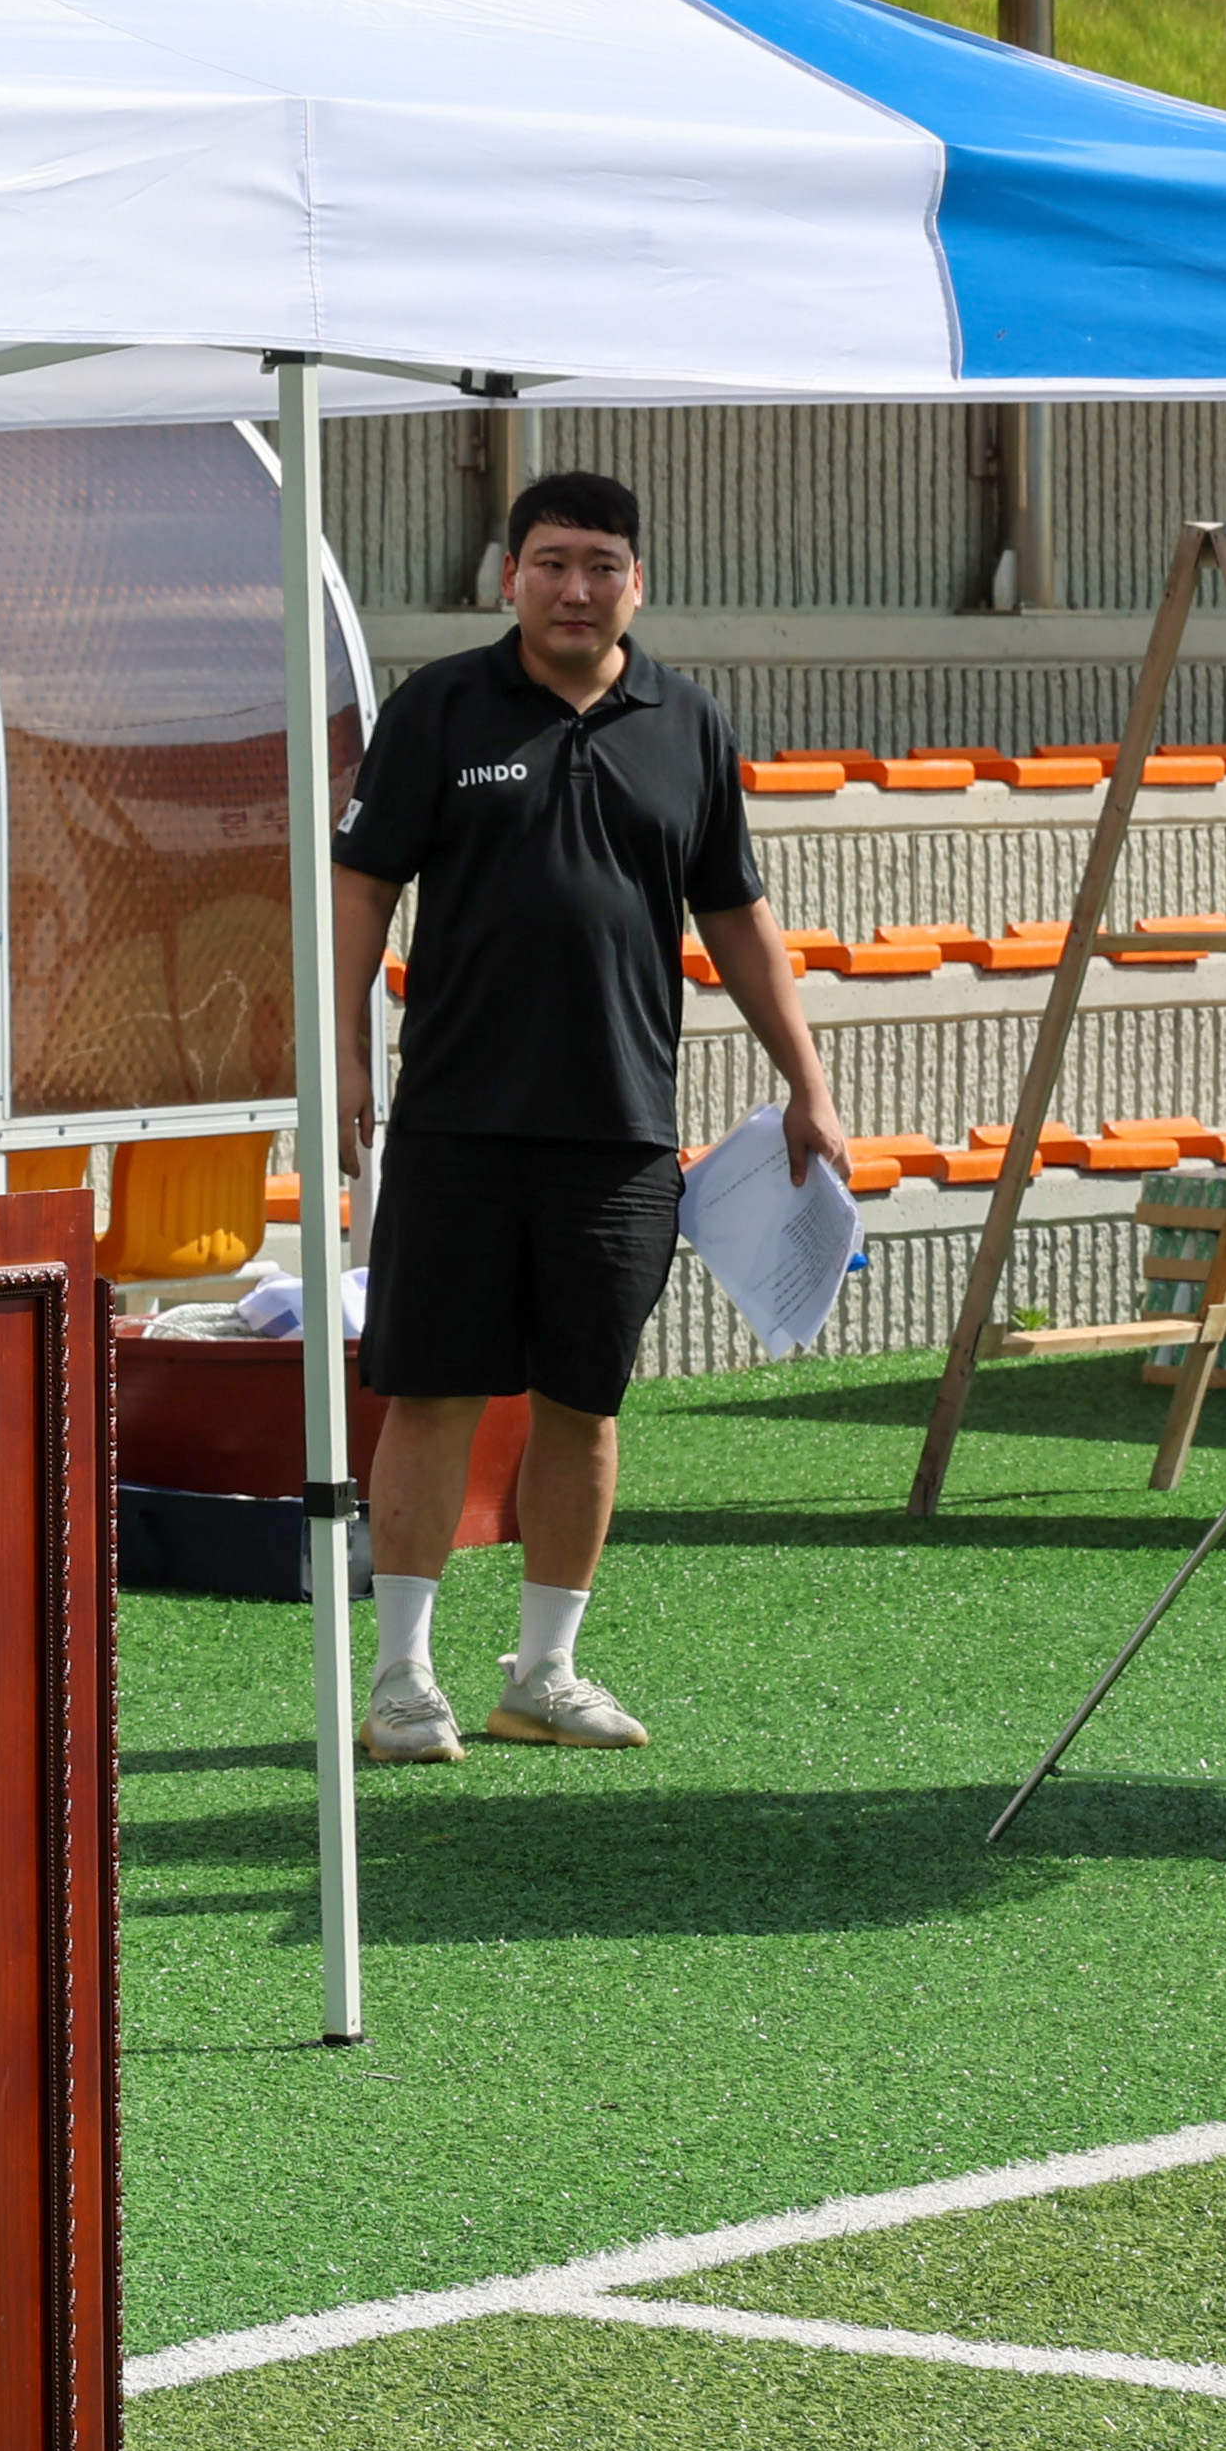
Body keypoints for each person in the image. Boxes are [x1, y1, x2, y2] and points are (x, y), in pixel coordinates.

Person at [325, 468, 847, 1764]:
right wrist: (338, 1053)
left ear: (638, 582)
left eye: (601, 563)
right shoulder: (441, 707)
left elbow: (737, 913)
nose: (576, 586)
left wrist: (808, 1080)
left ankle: (541, 1676)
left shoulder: (687, 721)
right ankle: (400, 1682)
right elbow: (360, 892)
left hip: (621, 1134)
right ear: (509, 576)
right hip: (454, 1121)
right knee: (433, 1394)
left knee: (585, 1403)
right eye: (552, 561)